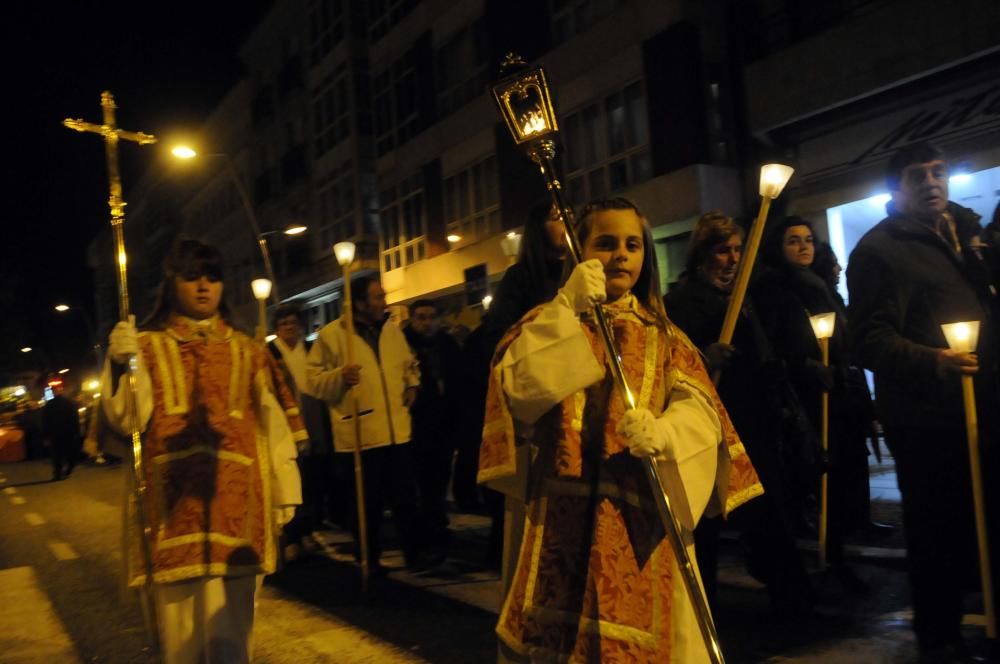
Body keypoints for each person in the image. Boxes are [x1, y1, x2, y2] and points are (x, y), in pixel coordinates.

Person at [478, 198, 762, 662]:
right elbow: (517, 394)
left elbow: (701, 413)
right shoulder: (546, 320)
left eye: (632, 244)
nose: (621, 255)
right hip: (559, 509)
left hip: (638, 514)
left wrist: (667, 434)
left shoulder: (665, 335)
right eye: (605, 244)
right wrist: (566, 308)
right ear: (579, 252)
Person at [101, 239, 303, 664]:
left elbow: (273, 426)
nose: (203, 286)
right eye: (192, 277)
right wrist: (123, 365)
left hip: (238, 511)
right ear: (172, 283)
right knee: (182, 643)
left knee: (233, 636)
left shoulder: (250, 351)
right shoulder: (149, 348)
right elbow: (128, 420)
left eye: (212, 277)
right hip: (172, 517)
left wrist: (286, 491)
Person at [847, 141, 999, 662]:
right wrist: (934, 360)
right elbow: (866, 339)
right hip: (927, 418)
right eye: (918, 176)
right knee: (937, 531)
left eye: (938, 172)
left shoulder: (969, 233)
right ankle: (939, 638)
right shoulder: (878, 251)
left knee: (987, 518)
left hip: (984, 405)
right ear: (898, 188)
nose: (932, 182)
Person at [664, 211, 813, 615]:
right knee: (707, 518)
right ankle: (700, 607)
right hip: (711, 423)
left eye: (736, 250)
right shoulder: (680, 303)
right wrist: (703, 355)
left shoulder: (746, 296)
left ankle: (790, 594)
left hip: (754, 420)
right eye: (721, 251)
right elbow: (669, 363)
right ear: (702, 255)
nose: (731, 259)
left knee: (768, 508)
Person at [755, 216, 872, 591]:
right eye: (793, 240)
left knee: (838, 484)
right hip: (800, 400)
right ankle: (795, 572)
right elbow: (771, 344)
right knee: (804, 484)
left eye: (808, 239)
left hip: (835, 394)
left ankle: (836, 556)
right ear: (778, 246)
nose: (803, 246)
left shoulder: (822, 285)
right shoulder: (772, 289)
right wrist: (804, 365)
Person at [307, 274, 432, 573]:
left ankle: (413, 555)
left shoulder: (391, 331)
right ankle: (368, 558)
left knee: (405, 500)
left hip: (397, 432)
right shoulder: (332, 335)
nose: (383, 302)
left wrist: (412, 384)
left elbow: (409, 364)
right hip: (360, 434)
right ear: (360, 303)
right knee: (367, 505)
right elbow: (312, 381)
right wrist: (339, 377)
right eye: (377, 297)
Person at [268, 302, 333, 561]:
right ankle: (291, 535)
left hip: (313, 418)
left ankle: (309, 529)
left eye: (293, 323)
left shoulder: (310, 349)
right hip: (286, 422)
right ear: (277, 328)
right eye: (284, 324)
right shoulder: (271, 353)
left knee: (313, 480)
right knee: (291, 480)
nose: (289, 328)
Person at [403, 298, 463, 555]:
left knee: (439, 479)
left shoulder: (447, 345)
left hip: (443, 424)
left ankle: (438, 525)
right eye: (421, 317)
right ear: (412, 319)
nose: (427, 323)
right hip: (416, 425)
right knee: (420, 482)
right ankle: (424, 531)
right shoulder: (404, 345)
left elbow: (459, 382)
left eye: (431, 317)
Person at [43, 376, 84, 481]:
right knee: (67, 453)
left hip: (57, 433)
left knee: (58, 454)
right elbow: (75, 418)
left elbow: (45, 421)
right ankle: (66, 469)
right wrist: (77, 431)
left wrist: (46, 435)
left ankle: (58, 473)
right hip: (67, 432)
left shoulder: (50, 405)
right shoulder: (69, 403)